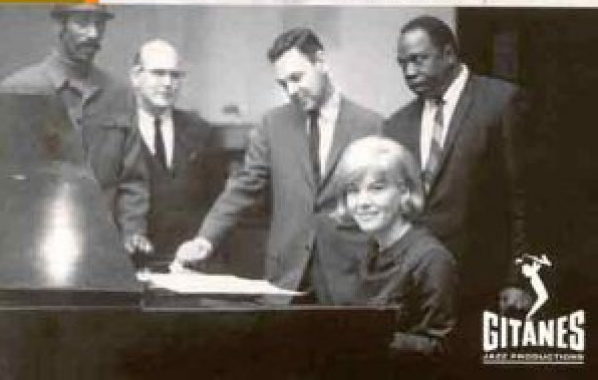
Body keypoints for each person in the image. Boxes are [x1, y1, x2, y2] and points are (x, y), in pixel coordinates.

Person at [172, 27, 383, 303]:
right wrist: (205, 239)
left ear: (320, 61)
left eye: (296, 78)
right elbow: (245, 186)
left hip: (350, 277)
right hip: (286, 277)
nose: (291, 91)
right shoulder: (272, 124)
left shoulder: (371, 125)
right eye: (283, 84)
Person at [384, 15, 530, 313]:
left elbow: (524, 198)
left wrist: (519, 279)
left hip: (484, 285)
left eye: (418, 59)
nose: (409, 72)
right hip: (417, 288)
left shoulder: (500, 101)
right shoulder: (396, 125)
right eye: (402, 64)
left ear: (449, 54)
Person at [0, 4, 150, 253]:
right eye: (82, 22)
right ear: (59, 26)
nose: (93, 33)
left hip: (103, 246)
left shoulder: (119, 94)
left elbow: (133, 180)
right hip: (33, 243)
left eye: (99, 24)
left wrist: (133, 232)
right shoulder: (20, 88)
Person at [330, 136, 457, 357]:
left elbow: (441, 349)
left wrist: (365, 336)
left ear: (404, 191)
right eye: (353, 190)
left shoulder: (432, 259)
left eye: (376, 188)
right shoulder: (371, 250)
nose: (362, 202)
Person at [130, 39, 220, 262]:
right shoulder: (116, 130)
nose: (168, 83)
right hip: (131, 260)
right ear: (136, 76)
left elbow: (216, 201)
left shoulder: (201, 131)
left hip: (189, 262)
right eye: (158, 73)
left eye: (175, 75)